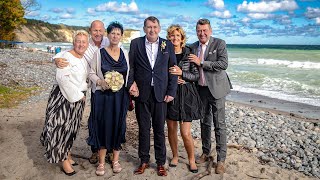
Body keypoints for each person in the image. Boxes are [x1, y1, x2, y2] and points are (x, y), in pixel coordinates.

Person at [54, 20, 112, 164]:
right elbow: (66, 53)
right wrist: (55, 59)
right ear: (90, 31)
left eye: (100, 30)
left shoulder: (108, 41)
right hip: (93, 88)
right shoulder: (85, 43)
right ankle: (95, 151)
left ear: (104, 31)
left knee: (109, 119)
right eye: (95, 30)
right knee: (95, 119)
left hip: (111, 88)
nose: (98, 33)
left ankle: (109, 151)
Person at [127, 16, 178, 177]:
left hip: (160, 95)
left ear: (159, 28)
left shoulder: (167, 44)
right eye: (149, 27)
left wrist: (171, 92)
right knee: (143, 129)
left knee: (159, 130)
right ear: (144, 29)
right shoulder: (136, 44)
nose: (152, 30)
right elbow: (131, 68)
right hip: (142, 94)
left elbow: (173, 70)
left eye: (155, 27)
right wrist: (130, 85)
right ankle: (143, 161)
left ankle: (161, 162)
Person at [40, 30, 89, 176]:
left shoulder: (85, 58)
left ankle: (67, 153)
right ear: (73, 42)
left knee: (71, 129)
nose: (81, 44)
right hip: (63, 97)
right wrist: (78, 96)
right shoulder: (65, 56)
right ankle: (63, 160)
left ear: (87, 44)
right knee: (59, 127)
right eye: (78, 41)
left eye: (84, 42)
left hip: (79, 97)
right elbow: (63, 80)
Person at [189, 18, 232, 174]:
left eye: (205, 30)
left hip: (217, 90)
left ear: (210, 31)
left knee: (219, 124)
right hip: (201, 90)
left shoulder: (219, 43)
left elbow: (223, 64)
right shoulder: (193, 47)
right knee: (204, 123)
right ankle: (206, 152)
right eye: (199, 31)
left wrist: (202, 62)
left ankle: (221, 160)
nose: (202, 33)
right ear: (196, 32)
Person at [88, 21, 129, 176]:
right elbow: (91, 72)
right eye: (112, 33)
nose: (115, 36)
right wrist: (99, 81)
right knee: (102, 126)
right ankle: (101, 162)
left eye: (118, 33)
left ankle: (116, 160)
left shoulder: (125, 53)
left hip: (120, 97)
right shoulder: (99, 53)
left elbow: (129, 75)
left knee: (119, 125)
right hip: (103, 96)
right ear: (108, 35)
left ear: (121, 36)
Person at [166, 24, 203, 173]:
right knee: (171, 129)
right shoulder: (165, 53)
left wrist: (182, 75)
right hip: (171, 93)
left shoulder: (189, 53)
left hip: (187, 95)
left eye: (177, 36)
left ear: (182, 38)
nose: (175, 38)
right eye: (172, 35)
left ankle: (191, 159)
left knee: (185, 132)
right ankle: (175, 156)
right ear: (169, 38)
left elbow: (196, 75)